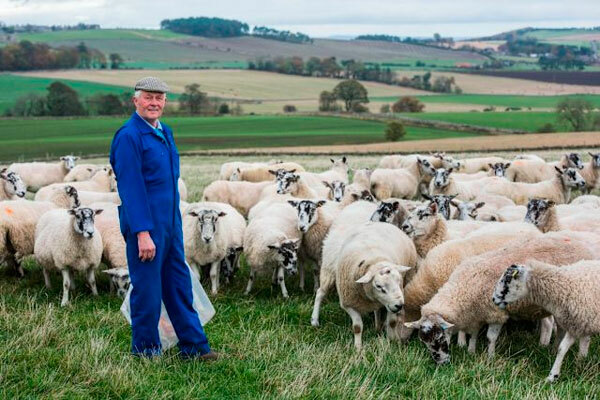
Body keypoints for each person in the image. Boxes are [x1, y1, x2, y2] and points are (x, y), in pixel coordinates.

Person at [109, 77, 217, 360]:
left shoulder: (164, 131)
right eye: (148, 97)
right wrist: (142, 233)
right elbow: (131, 188)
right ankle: (146, 350)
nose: (154, 103)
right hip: (146, 226)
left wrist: (174, 224)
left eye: (159, 98)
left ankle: (194, 347)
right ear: (136, 101)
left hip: (171, 224)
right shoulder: (129, 136)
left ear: (165, 102)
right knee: (147, 289)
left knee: (179, 284)